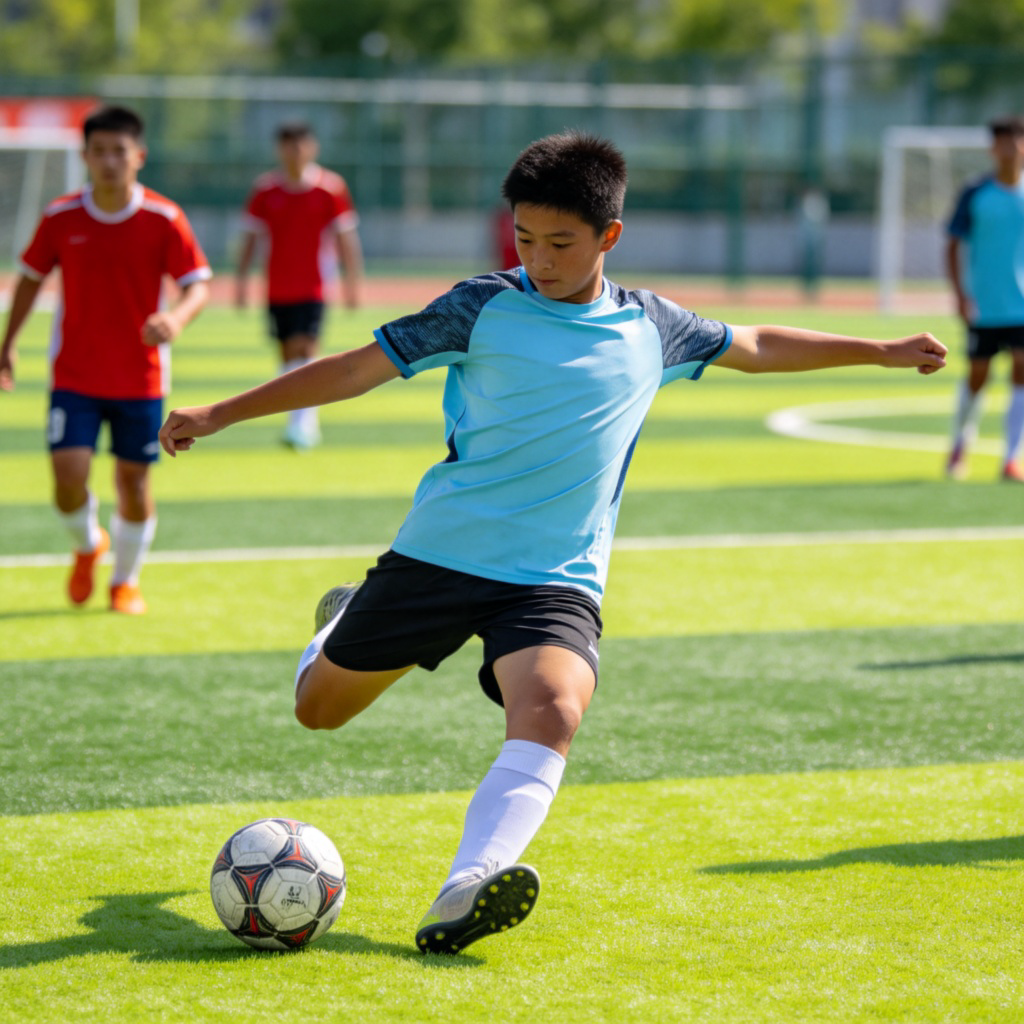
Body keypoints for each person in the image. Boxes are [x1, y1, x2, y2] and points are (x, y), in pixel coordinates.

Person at [159, 132, 947, 955]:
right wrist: (221, 413)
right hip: (441, 555)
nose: (538, 258)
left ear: (610, 236)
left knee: (556, 708)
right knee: (317, 712)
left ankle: (467, 884)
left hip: (554, 577)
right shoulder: (480, 306)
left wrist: (881, 351)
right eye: (524, 239)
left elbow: (755, 345)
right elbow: (356, 369)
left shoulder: (654, 327)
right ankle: (337, 623)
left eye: (560, 243)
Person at [0, 104, 210, 615]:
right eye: (100, 152)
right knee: (68, 479)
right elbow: (29, 279)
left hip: (141, 378)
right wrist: (6, 344)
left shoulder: (164, 217)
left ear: (139, 156)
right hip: (75, 375)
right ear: (85, 157)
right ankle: (88, 544)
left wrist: (177, 319)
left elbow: (197, 284)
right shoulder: (61, 217)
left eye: (120, 151)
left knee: (133, 483)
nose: (110, 161)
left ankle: (125, 580)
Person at [235, 120, 364, 450]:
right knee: (286, 351)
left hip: (314, 285)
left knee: (307, 348)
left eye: (301, 144)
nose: (295, 151)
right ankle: (297, 418)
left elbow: (346, 238)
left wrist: (352, 283)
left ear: (312, 148)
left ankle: (305, 426)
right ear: (279, 149)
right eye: (288, 144)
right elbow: (250, 238)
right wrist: (241, 281)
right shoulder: (265, 190)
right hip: (277, 286)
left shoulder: (330, 188)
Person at [944, 115, 1024, 482]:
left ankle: (1012, 457)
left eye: (1016, 141)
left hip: (1022, 307)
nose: (1010, 149)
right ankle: (960, 444)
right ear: (993, 149)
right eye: (1002, 142)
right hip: (985, 305)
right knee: (978, 375)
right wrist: (960, 295)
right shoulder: (975, 193)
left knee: (1021, 372)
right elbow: (953, 243)